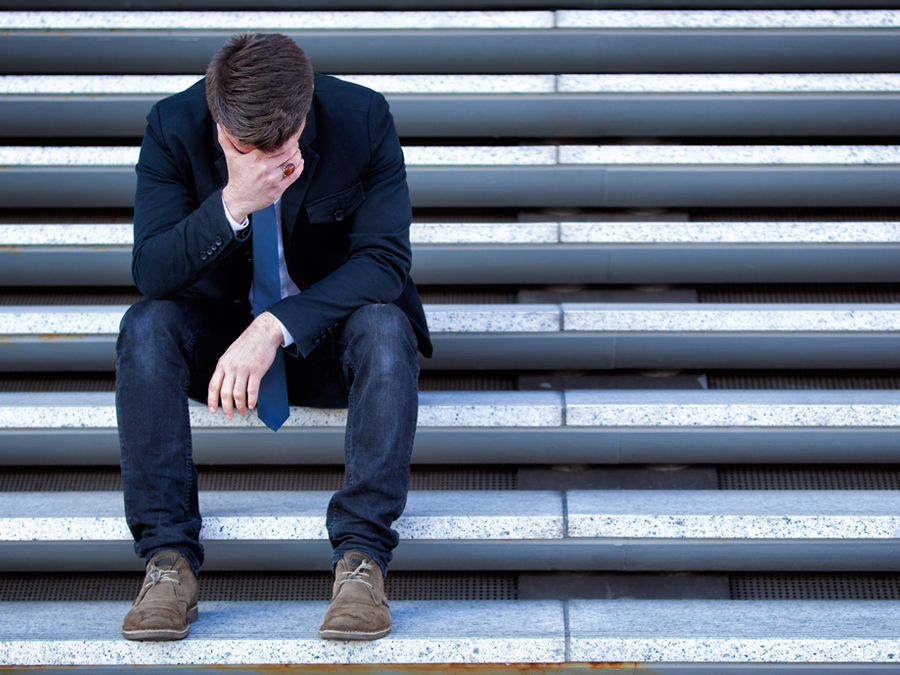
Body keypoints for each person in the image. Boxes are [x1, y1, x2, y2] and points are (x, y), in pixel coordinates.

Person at [115, 32, 431, 642]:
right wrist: (234, 202)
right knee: (145, 327)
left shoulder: (363, 117)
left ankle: (361, 561)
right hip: (224, 349)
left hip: (327, 340)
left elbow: (385, 261)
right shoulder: (172, 125)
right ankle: (167, 562)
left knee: (387, 325)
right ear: (216, 115)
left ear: (306, 109)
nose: (263, 161)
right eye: (241, 147)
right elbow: (151, 272)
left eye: (280, 146)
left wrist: (276, 325)